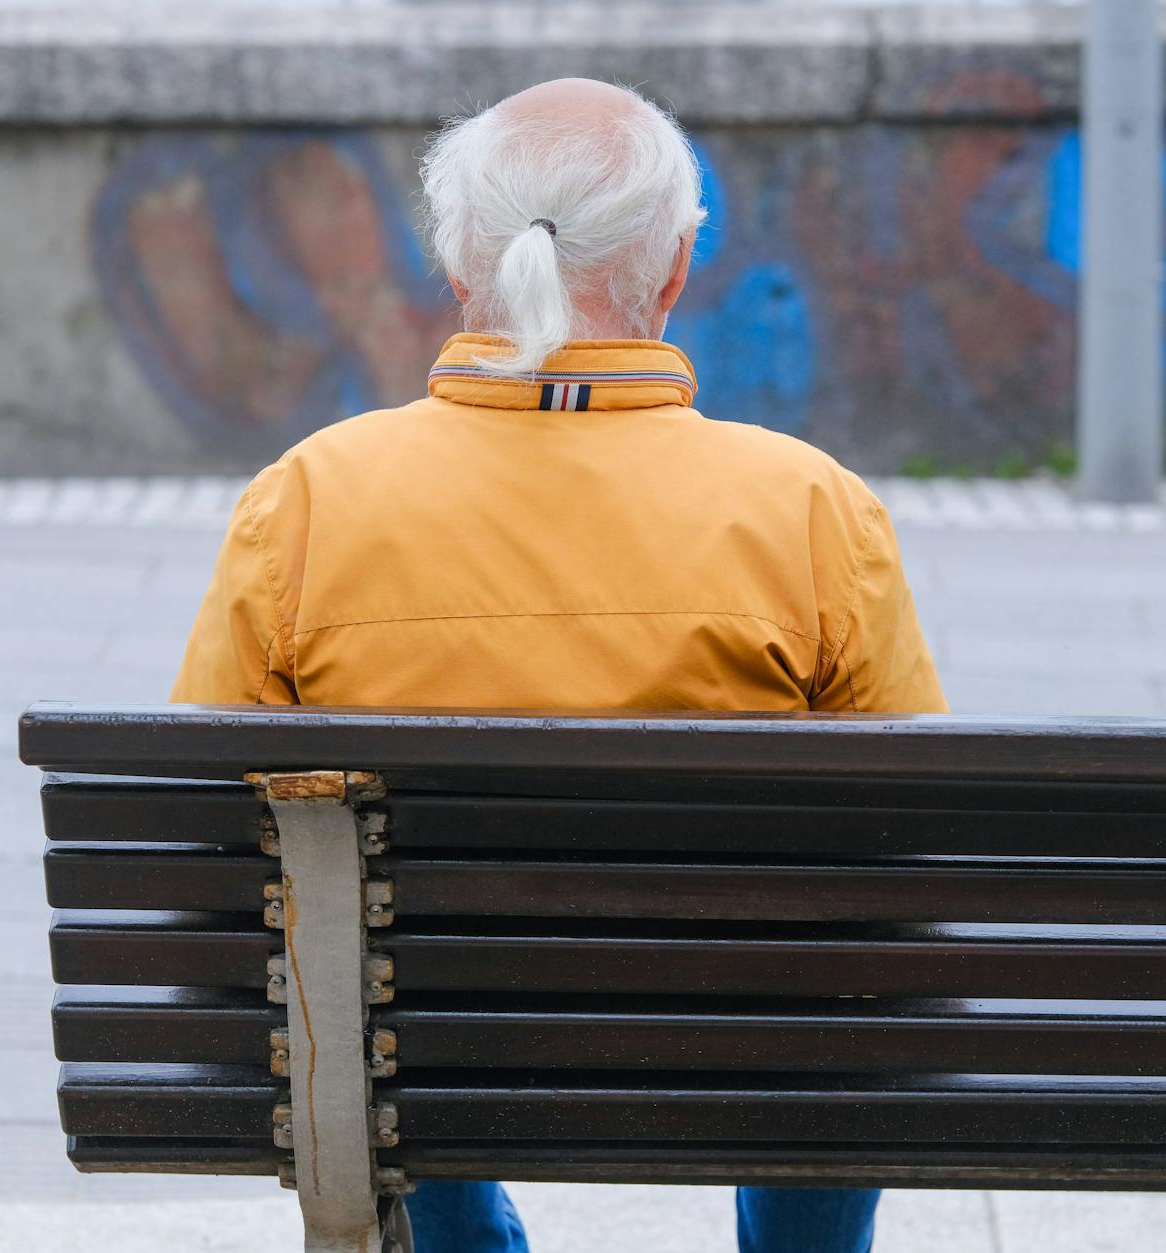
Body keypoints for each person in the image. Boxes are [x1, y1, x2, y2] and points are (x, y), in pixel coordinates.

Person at [172, 77, 946, 1253]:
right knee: (847, 975)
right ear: (677, 272)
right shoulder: (807, 508)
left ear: (454, 266)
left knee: (357, 964)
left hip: (420, 1040)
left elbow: (200, 827)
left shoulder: (310, 500)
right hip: (748, 1042)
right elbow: (909, 846)